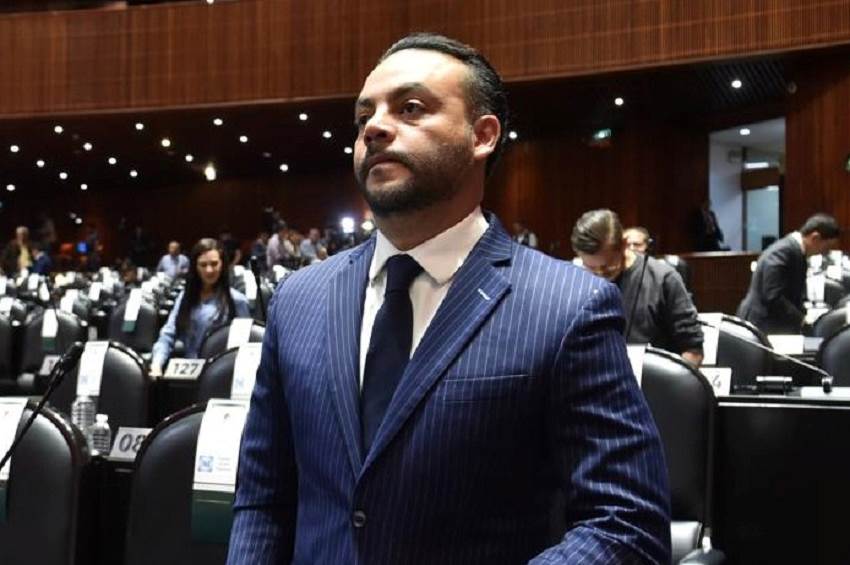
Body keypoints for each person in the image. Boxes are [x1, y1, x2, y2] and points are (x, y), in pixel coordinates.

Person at [228, 33, 669, 564]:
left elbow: (626, 523)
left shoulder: (569, 306)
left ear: (482, 136)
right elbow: (264, 499)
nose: (374, 127)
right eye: (364, 116)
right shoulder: (298, 300)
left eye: (410, 108)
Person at [572, 209, 704, 366]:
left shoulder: (663, 279)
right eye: (591, 269)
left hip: (651, 376)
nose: (599, 275)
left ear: (624, 244)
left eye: (607, 268)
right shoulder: (576, 279)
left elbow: (692, 348)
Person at [150, 238, 250, 376]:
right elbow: (168, 334)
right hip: (188, 374)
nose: (209, 270)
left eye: (214, 264)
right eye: (203, 265)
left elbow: (244, 349)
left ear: (222, 265)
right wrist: (157, 364)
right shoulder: (185, 297)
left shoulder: (237, 300)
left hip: (222, 375)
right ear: (195, 267)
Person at [737, 213, 841, 334]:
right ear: (815, 238)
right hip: (761, 324)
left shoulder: (795, 251)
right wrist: (802, 319)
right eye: (827, 247)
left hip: (772, 322)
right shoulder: (782, 252)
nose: (825, 253)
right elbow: (773, 296)